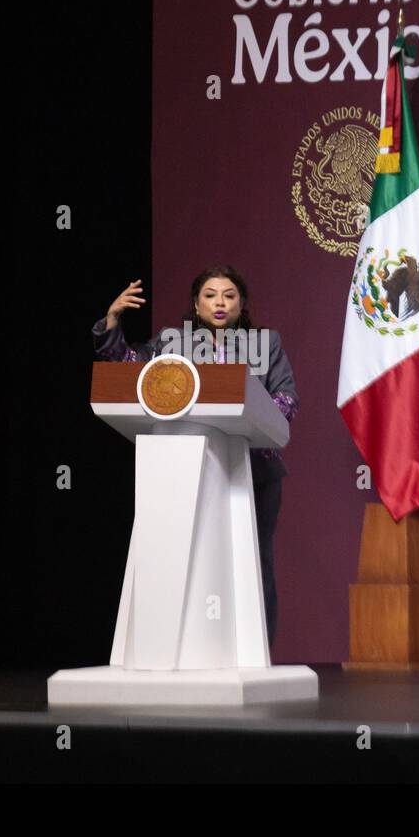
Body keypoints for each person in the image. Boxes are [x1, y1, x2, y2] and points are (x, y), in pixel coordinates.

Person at [91, 265, 298, 646]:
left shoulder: (266, 344)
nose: (220, 302)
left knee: (254, 562)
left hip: (254, 472)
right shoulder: (170, 344)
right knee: (196, 560)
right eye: (210, 295)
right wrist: (112, 321)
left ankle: (257, 650)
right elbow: (129, 372)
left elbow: (284, 401)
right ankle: (191, 648)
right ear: (196, 304)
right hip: (184, 470)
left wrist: (252, 414)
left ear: (242, 303)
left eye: (229, 295)